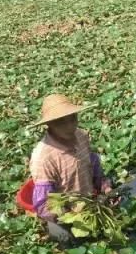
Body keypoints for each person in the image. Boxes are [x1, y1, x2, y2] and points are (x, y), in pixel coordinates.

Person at [28, 94, 111, 243]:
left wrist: (105, 186)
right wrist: (69, 214)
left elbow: (93, 164)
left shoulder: (81, 136)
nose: (70, 126)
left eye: (73, 118)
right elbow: (43, 206)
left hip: (91, 202)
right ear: (50, 124)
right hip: (66, 216)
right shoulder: (43, 157)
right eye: (61, 122)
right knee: (71, 242)